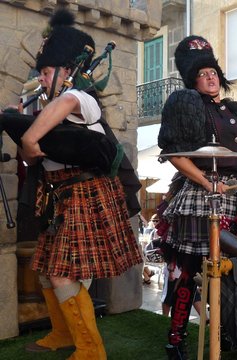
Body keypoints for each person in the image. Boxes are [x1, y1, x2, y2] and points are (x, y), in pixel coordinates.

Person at [20, 9, 143, 359]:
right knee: (47, 272)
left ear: (66, 70)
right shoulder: (47, 107)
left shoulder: (81, 99)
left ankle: (91, 349)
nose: (41, 79)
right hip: (60, 197)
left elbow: (66, 102)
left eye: (45, 72)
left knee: (62, 276)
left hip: (85, 195)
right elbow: (32, 158)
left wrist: (28, 132)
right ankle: (62, 333)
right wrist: (20, 123)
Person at [157, 35, 237, 359]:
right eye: (202, 73)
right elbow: (174, 153)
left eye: (213, 71)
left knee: (225, 269)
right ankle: (175, 339)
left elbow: (232, 156)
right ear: (193, 80)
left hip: (231, 194)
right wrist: (205, 182)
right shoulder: (185, 104)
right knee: (191, 271)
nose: (210, 76)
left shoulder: (232, 110)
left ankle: (222, 330)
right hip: (200, 195)